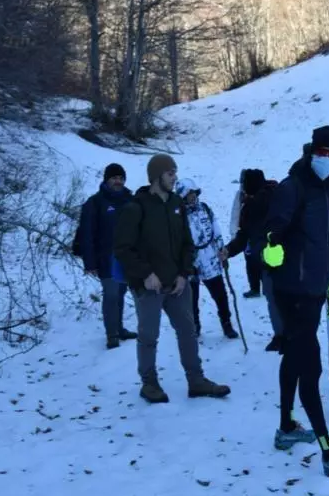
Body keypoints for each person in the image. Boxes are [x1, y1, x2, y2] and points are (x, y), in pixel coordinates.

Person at [263, 126, 329, 478]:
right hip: (292, 292)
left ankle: (286, 427)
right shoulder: (292, 187)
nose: (326, 159)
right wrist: (271, 248)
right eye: (321, 152)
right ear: (311, 152)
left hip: (315, 290)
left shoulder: (328, 191)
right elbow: (269, 231)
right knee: (310, 367)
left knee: (294, 359)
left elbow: (328, 243)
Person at [114, 154, 230, 404]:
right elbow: (123, 248)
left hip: (177, 284)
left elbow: (187, 244)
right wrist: (146, 274)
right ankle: (149, 383)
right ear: (157, 176)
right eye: (170, 173)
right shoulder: (136, 207)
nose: (175, 177)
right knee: (148, 336)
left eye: (175, 172)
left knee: (188, 331)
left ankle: (196, 380)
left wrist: (184, 273)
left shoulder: (177, 204)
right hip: (149, 286)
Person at [224, 170, 284, 351]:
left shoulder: (254, 206)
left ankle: (282, 336)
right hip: (278, 260)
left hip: (274, 261)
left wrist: (229, 250)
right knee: (280, 299)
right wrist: (229, 250)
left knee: (275, 299)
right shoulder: (279, 195)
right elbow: (245, 234)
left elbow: (244, 234)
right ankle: (285, 335)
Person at [78, 163, 137, 349]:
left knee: (121, 293)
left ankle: (119, 328)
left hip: (126, 257)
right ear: (106, 180)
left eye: (121, 178)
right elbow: (86, 233)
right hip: (106, 257)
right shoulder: (95, 202)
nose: (118, 181)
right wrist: (89, 262)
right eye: (114, 178)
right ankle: (111, 334)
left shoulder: (130, 199)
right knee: (111, 295)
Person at [176, 179, 238, 340]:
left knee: (220, 294)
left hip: (210, 257)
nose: (192, 196)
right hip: (191, 260)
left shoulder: (205, 209)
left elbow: (216, 229)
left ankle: (226, 323)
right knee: (191, 297)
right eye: (188, 194)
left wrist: (222, 249)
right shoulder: (178, 215)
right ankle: (194, 326)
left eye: (194, 193)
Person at [231, 170, 265, 298]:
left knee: (262, 263)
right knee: (250, 263)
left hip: (260, 238)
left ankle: (267, 287)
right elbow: (235, 213)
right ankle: (254, 288)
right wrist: (235, 232)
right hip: (247, 236)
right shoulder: (241, 196)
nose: (242, 185)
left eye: (244, 182)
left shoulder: (262, 199)